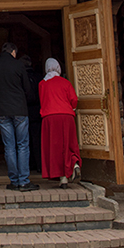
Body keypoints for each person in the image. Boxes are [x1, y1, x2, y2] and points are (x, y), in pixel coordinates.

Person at [0, 42, 38, 192]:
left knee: (9, 146)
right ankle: (24, 181)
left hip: (1, 110)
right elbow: (27, 88)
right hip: (19, 109)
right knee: (22, 145)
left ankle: (14, 181)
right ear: (13, 52)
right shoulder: (19, 65)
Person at [38, 58, 81, 188]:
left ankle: (62, 178)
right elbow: (74, 99)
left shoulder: (42, 84)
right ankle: (73, 164)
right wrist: (70, 109)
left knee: (54, 147)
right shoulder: (65, 82)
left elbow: (42, 100)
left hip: (50, 118)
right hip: (66, 116)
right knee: (68, 143)